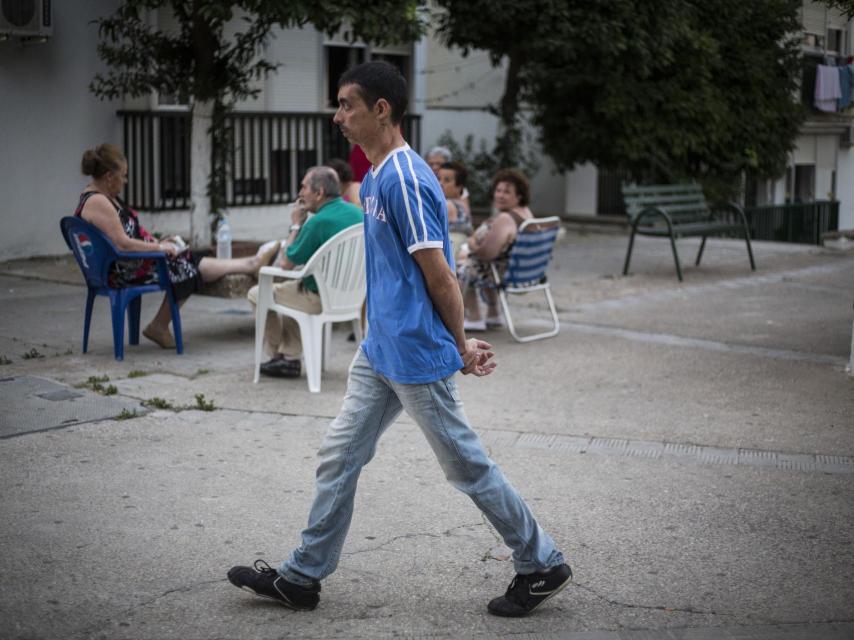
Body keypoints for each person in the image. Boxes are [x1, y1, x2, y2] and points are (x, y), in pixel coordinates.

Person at [227, 61, 570, 618]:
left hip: (414, 354)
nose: (337, 116)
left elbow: (440, 275)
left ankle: (542, 563)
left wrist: (460, 345)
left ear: (381, 110)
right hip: (380, 350)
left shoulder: (405, 179)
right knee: (339, 456)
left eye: (347, 105)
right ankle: (302, 577)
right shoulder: (377, 176)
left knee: (467, 467)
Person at [76, 144, 280, 349]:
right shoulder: (98, 202)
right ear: (109, 176)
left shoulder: (103, 197)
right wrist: (158, 249)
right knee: (186, 266)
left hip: (127, 263)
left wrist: (159, 242)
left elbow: (127, 237)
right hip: (122, 271)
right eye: (123, 176)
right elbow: (123, 243)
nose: (125, 181)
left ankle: (251, 264)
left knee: (189, 256)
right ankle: (159, 325)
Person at [246, 166, 362, 378]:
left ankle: (277, 356)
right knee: (293, 290)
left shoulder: (317, 222)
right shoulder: (357, 213)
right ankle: (290, 356)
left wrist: (295, 225)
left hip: (318, 298)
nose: (299, 193)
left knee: (257, 293)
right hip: (352, 298)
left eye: (303, 187)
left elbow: (286, 264)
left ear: (319, 193)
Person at [457, 169, 534, 332]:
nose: (500, 195)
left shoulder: (505, 219)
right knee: (480, 264)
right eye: (498, 190)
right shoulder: (526, 213)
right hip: (525, 273)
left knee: (463, 265)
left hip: (505, 274)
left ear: (519, 196)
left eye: (507, 192)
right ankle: (493, 314)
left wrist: (471, 243)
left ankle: (474, 317)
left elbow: (486, 254)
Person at [438, 160, 473, 257]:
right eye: (438, 178)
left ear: (459, 187)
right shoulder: (463, 205)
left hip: (450, 255)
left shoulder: (447, 204)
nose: (440, 183)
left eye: (447, 180)